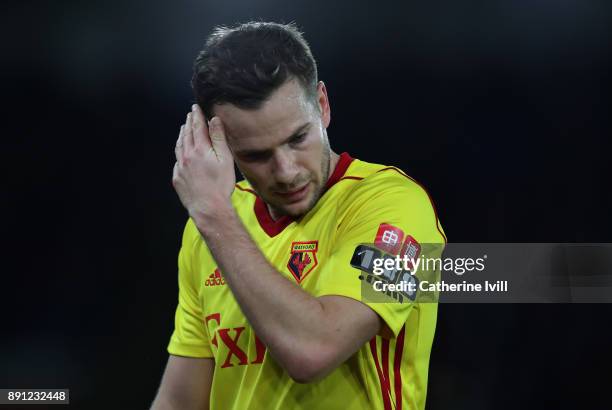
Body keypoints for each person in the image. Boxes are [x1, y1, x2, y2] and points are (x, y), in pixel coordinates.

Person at [150, 21, 447, 410]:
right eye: (256, 155)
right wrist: (213, 218)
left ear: (322, 105)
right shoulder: (211, 226)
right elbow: (179, 401)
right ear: (214, 143)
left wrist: (214, 217)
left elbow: (313, 350)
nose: (286, 171)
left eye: (297, 138)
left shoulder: (397, 206)